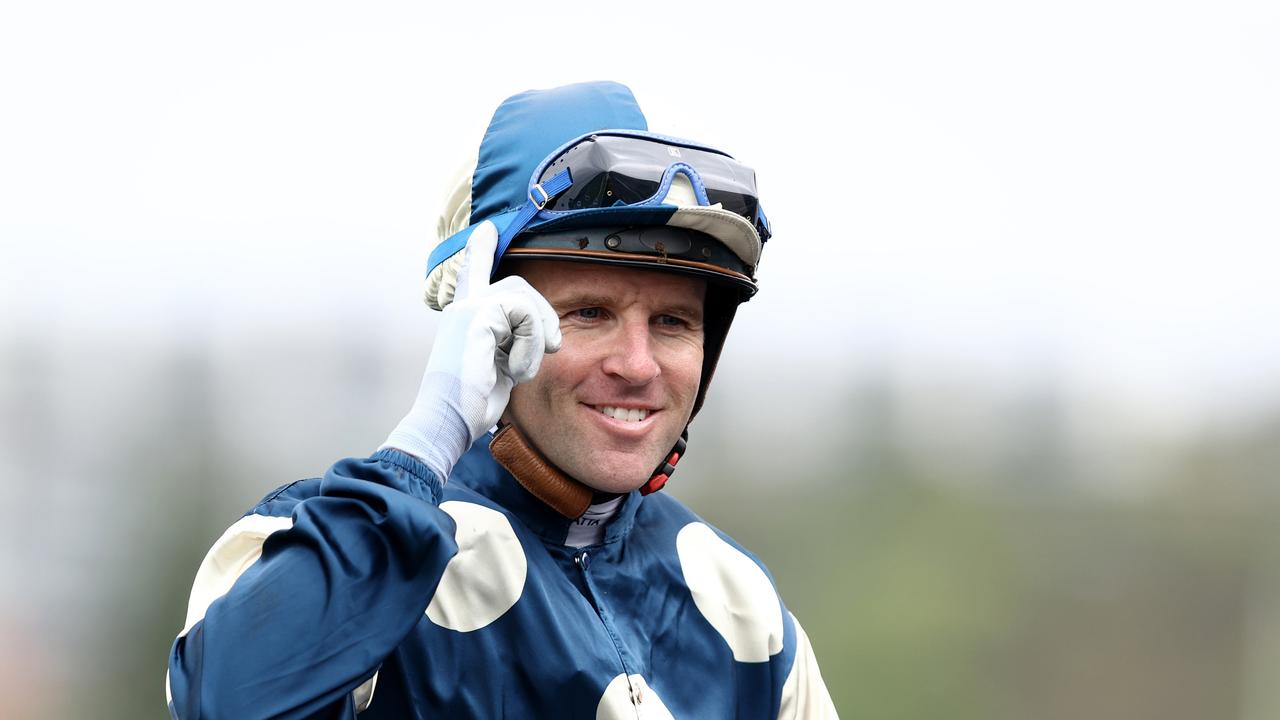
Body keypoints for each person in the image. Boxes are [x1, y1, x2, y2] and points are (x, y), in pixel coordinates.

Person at [166, 81, 837, 719]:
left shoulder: (744, 606)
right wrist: (429, 441)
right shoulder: (310, 541)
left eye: (672, 323)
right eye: (589, 313)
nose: (638, 366)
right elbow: (227, 700)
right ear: (485, 323)